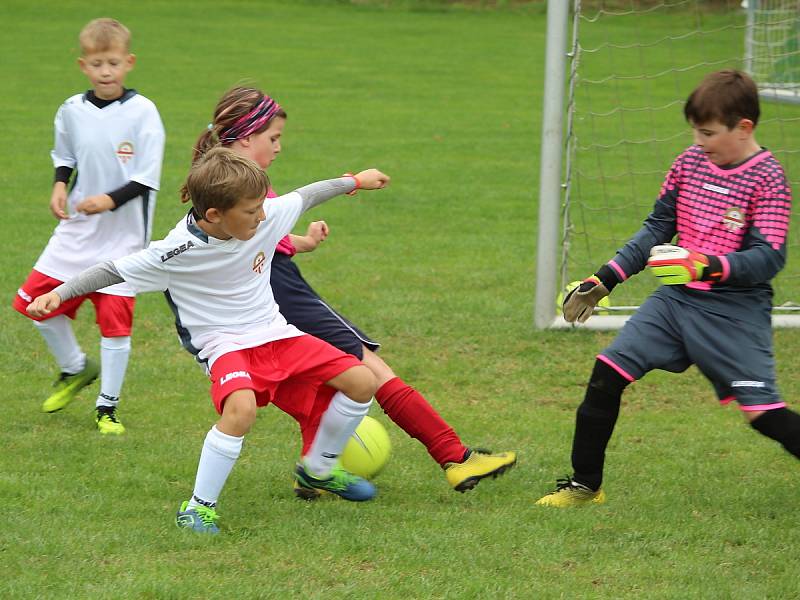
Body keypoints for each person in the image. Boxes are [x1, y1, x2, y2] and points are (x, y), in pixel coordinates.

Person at [27, 148, 391, 533]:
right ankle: (199, 508)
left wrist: (356, 181)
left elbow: (309, 194)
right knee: (241, 410)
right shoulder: (175, 250)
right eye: (253, 211)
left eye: (262, 207)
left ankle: (318, 468)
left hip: (275, 332)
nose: (264, 216)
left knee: (362, 381)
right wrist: (60, 294)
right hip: (223, 345)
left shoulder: (260, 216)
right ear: (215, 215)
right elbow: (111, 270)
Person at [194, 86, 517, 497]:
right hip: (277, 287)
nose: (279, 147)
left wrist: (302, 243)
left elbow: (253, 234)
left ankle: (315, 473)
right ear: (245, 138)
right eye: (272, 138)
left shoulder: (226, 183)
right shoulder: (242, 183)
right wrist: (355, 181)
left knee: (327, 378)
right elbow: (268, 225)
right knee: (367, 366)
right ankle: (453, 456)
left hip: (264, 285)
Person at [536, 69, 798, 507]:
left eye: (709, 133)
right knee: (607, 374)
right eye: (696, 131)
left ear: (744, 128)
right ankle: (584, 486)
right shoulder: (689, 162)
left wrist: (706, 265)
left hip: (734, 310)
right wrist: (605, 278)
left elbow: (769, 258)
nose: (699, 141)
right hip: (675, 303)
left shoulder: (769, 178)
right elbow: (658, 226)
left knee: (762, 414)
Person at [12, 18, 165, 435]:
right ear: (83, 65)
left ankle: (107, 408)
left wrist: (110, 200)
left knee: (115, 324)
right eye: (97, 63)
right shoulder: (71, 110)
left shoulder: (143, 112)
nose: (106, 71)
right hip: (78, 230)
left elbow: (147, 176)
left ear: (129, 62)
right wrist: (60, 187)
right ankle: (75, 368)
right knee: (32, 303)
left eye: (113, 62)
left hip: (124, 239)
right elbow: (65, 156)